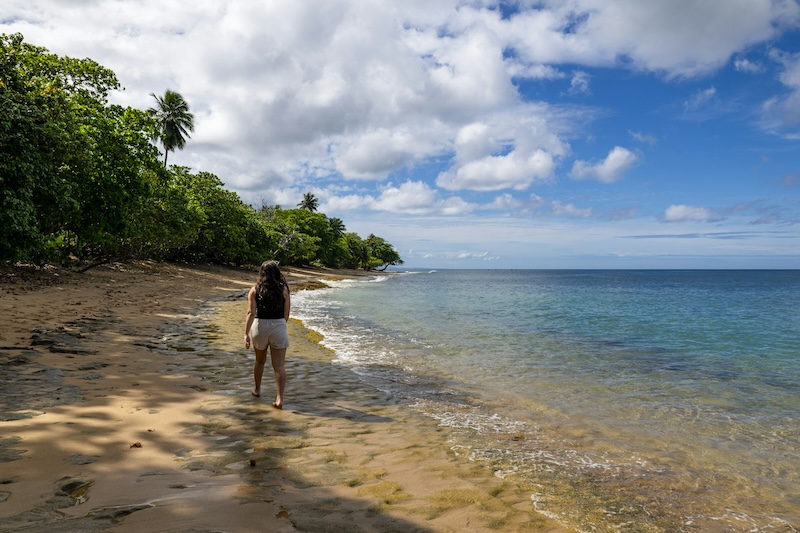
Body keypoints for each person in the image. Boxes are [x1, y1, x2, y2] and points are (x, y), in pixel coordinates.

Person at [244, 260, 291, 408]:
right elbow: (287, 313)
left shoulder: (255, 290)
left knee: (259, 361)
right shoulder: (283, 289)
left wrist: (246, 334)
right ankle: (279, 399)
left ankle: (257, 390)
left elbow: (251, 313)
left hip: (260, 326)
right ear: (277, 272)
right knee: (278, 365)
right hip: (278, 325)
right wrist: (280, 325)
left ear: (261, 273)